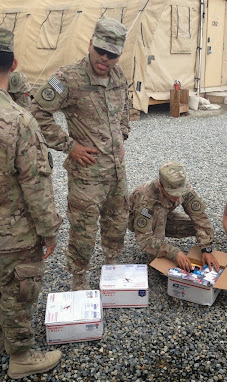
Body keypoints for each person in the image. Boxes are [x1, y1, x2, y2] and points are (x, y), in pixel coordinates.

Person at [30, 17, 130, 290]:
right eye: (100, 51)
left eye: (112, 55)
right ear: (90, 45)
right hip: (86, 176)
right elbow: (37, 113)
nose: (105, 59)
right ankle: (79, 277)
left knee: (117, 221)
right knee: (84, 230)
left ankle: (112, 265)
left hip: (116, 172)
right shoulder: (66, 78)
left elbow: (125, 108)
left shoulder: (119, 76)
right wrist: (69, 146)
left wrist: (122, 134)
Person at [0, 28, 62, 379]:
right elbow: (36, 186)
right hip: (14, 234)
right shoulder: (19, 121)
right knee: (17, 290)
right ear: (15, 64)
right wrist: (49, 232)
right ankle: (20, 356)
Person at [128, 161, 220, 272]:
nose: (178, 197)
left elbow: (200, 217)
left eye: (180, 193)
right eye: (173, 194)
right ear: (161, 187)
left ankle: (160, 239)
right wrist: (174, 253)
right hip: (143, 221)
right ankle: (157, 257)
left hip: (164, 216)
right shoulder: (146, 199)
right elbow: (143, 238)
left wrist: (206, 249)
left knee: (196, 227)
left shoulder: (182, 187)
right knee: (159, 214)